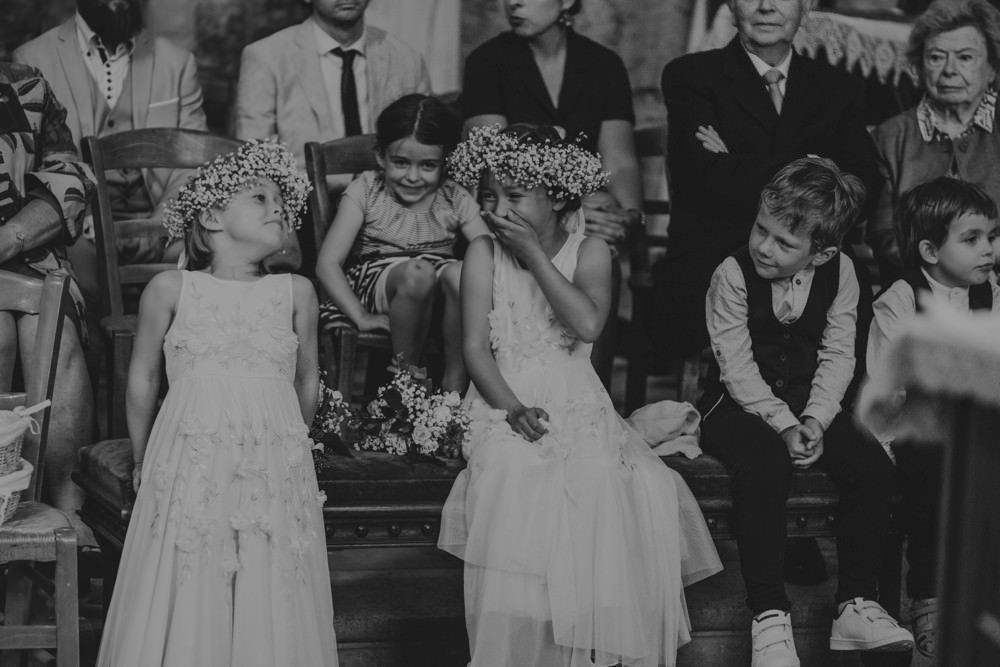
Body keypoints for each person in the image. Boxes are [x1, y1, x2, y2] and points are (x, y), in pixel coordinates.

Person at [438, 124, 722, 667]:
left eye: (514, 196)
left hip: (576, 396)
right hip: (503, 395)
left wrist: (535, 256)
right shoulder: (481, 253)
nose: (498, 210)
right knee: (513, 471)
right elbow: (475, 349)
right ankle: (523, 632)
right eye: (488, 196)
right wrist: (512, 409)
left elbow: (587, 325)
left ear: (559, 197)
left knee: (603, 477)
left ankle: (588, 632)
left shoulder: (590, 251)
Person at [96, 140, 338, 667]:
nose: (278, 208)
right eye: (260, 197)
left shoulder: (295, 291)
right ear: (211, 216)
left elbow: (307, 379)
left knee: (266, 568)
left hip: (271, 461)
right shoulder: (171, 288)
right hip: (192, 458)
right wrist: (141, 455)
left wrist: (292, 448)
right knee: (193, 561)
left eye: (282, 202)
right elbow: (142, 378)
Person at [700, 157, 912, 667]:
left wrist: (816, 418)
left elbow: (839, 353)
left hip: (815, 404)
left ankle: (855, 604)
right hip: (738, 407)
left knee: (871, 465)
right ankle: (769, 615)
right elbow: (736, 367)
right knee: (764, 464)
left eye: (783, 242)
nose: (763, 247)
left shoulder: (844, 273)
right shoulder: (731, 274)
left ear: (823, 253)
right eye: (761, 230)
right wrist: (785, 425)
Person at [657, 0, 881, 360]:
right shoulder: (691, 75)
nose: (766, 7)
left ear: (806, 9)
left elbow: (864, 186)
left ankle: (840, 393)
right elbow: (705, 179)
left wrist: (736, 163)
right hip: (717, 248)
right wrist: (815, 165)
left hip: (812, 253)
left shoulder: (839, 87)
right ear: (731, 8)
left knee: (846, 295)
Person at [459, 0, 644, 385]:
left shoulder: (603, 65)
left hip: (577, 213)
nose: (514, 3)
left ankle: (591, 394)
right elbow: (492, 160)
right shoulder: (487, 61)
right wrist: (571, 197)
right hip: (512, 209)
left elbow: (621, 161)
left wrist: (626, 218)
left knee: (601, 255)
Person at [865, 177, 1000, 665]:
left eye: (992, 236)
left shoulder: (990, 293)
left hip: (976, 426)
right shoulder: (901, 299)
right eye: (972, 239)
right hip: (912, 429)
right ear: (929, 250)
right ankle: (929, 595)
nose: (988, 250)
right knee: (934, 474)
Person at [14, 0, 208, 291]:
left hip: (161, 216)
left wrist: (162, 224)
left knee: (204, 268)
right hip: (79, 222)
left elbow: (194, 159)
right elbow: (30, 165)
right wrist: (85, 217)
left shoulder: (178, 62)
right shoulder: (32, 58)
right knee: (78, 281)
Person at [315, 94, 490, 392]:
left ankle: (455, 382)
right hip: (378, 283)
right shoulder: (367, 189)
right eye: (400, 163)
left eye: (428, 165)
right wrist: (360, 316)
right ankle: (405, 382)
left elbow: (488, 252)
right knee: (418, 273)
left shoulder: (453, 196)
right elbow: (327, 264)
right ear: (381, 157)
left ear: (444, 163)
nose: (412, 176)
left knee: (464, 272)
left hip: (441, 294)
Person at [0, 62, 96, 543]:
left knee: (53, 334)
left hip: (30, 254)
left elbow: (70, 177)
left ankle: (66, 519)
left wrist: (10, 238)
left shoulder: (25, 86)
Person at [869, 0, 1000, 285]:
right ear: (919, 68)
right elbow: (883, 234)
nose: (949, 70)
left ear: (992, 68)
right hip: (917, 293)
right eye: (936, 57)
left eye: (965, 57)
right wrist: (936, 275)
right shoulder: (891, 136)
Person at [234, 0, 431, 168]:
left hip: (387, 195)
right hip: (301, 196)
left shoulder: (407, 59)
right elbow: (255, 159)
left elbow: (428, 147)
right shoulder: (266, 57)